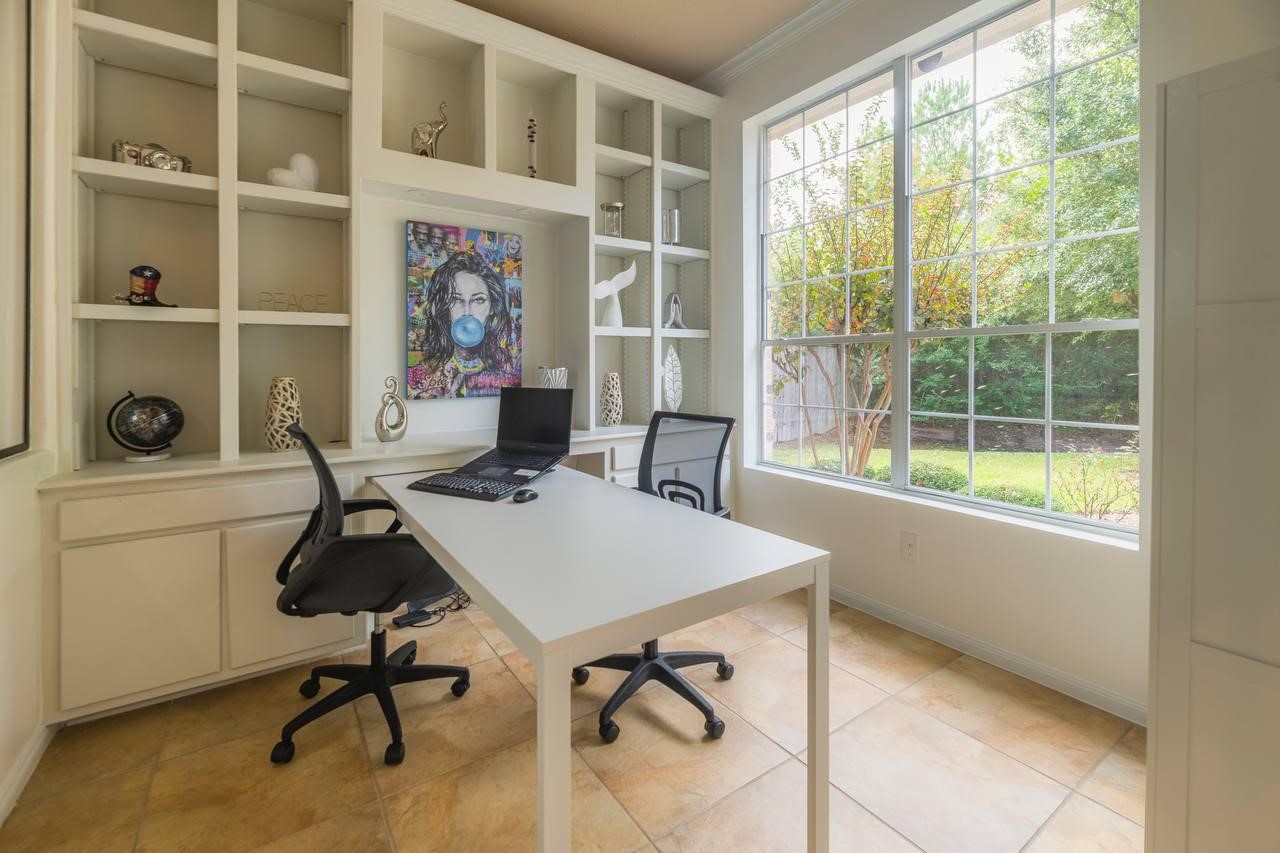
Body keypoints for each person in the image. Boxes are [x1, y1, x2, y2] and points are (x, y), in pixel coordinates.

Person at [409, 250, 519, 398]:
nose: (468, 312)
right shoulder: (420, 375)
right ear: (444, 308)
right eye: (456, 300)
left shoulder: (509, 369)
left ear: (493, 307)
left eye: (478, 300)